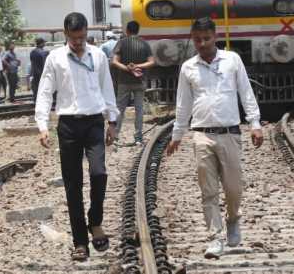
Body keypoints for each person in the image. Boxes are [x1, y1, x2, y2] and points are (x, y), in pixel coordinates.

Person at [166, 17, 264, 259]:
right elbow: (183, 103)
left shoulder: (232, 60)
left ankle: (233, 218)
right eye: (197, 39)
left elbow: (246, 92)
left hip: (230, 133)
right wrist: (177, 134)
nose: (202, 43)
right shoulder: (188, 67)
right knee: (208, 190)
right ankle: (215, 237)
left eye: (206, 38)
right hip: (201, 135)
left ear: (215, 37)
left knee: (233, 187)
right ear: (192, 39)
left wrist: (254, 123)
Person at [35, 12, 118, 262]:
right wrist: (42, 124)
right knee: (73, 185)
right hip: (69, 125)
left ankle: (95, 222)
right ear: (66, 35)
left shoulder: (99, 56)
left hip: (94, 122)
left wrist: (112, 121)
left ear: (86, 33)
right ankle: (80, 241)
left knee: (99, 173)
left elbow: (107, 89)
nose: (79, 42)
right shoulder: (56, 58)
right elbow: (45, 91)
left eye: (82, 37)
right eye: (74, 38)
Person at [111, 21, 155, 145]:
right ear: (138, 30)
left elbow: (114, 61)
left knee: (119, 109)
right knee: (139, 109)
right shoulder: (144, 44)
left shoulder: (121, 43)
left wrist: (127, 68)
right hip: (139, 81)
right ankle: (138, 137)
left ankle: (115, 136)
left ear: (127, 30)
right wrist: (138, 66)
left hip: (124, 81)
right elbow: (151, 62)